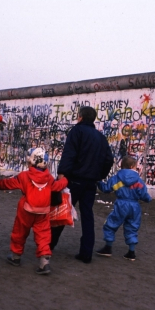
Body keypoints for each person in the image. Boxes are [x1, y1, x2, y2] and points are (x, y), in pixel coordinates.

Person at [51, 106, 114, 263]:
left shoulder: (76, 131)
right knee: (87, 216)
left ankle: (48, 246)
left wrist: (62, 175)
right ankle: (86, 253)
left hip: (74, 180)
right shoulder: (101, 137)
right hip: (91, 182)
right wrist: (99, 175)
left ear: (80, 117)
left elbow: (69, 154)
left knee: (63, 212)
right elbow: (109, 160)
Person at [0, 147, 68, 275]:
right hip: (43, 212)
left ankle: (16, 257)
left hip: (26, 211)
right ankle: (44, 262)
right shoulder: (49, 178)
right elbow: (58, 186)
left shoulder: (24, 176)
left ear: (31, 162)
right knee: (43, 235)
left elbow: (9, 183)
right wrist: (65, 180)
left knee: (20, 231)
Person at [95, 156, 152, 261]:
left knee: (110, 224)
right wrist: (148, 199)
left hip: (121, 204)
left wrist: (98, 182)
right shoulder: (139, 181)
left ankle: (108, 247)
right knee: (132, 227)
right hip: (135, 206)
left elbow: (106, 189)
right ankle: (131, 252)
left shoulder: (116, 178)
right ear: (132, 166)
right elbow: (144, 195)